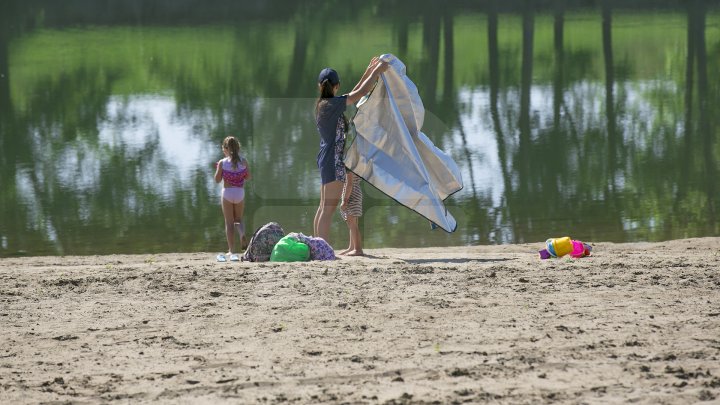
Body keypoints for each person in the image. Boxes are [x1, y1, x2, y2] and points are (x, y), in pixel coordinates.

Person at [313, 57, 388, 245]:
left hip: (326, 160)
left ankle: (317, 246)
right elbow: (360, 93)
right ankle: (322, 249)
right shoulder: (332, 104)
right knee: (328, 210)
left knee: (323, 207)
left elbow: (355, 92)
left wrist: (369, 69)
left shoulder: (324, 103)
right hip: (332, 161)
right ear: (337, 86)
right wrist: (378, 70)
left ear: (320, 86)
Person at [214, 136, 251, 261]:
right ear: (238, 148)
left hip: (227, 193)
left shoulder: (222, 163)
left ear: (225, 149)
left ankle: (231, 250)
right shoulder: (244, 161)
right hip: (239, 193)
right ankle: (242, 234)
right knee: (239, 219)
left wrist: (219, 169)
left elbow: (217, 180)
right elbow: (248, 177)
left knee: (229, 222)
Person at [339, 171, 364, 256]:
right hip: (356, 191)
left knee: (352, 224)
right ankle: (352, 247)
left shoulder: (349, 166)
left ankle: (358, 249)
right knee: (353, 223)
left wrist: (344, 201)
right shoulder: (357, 164)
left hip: (351, 195)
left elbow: (349, 184)